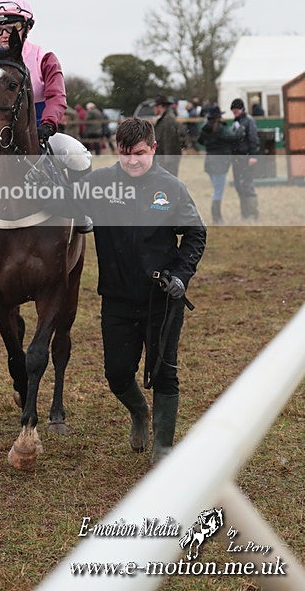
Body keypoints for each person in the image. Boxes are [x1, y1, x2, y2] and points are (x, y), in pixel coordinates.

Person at [28, 117, 206, 463]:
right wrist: (42, 188)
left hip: (162, 299)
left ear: (153, 149)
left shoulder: (171, 188)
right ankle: (139, 413)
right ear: (117, 151)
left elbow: (196, 234)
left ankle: (163, 447)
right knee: (117, 374)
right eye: (125, 154)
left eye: (139, 153)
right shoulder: (100, 183)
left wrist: (182, 275)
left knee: (165, 371)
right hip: (118, 300)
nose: (132, 161)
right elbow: (65, 206)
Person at [0, 0, 92, 235]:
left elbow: (57, 97)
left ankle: (81, 209)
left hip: (39, 129)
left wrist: (48, 125)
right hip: (0, 129)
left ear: (27, 27)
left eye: (11, 27)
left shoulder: (44, 57)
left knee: (77, 154)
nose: (4, 34)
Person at [197, 104, 244, 224]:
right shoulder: (220, 129)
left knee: (216, 189)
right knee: (218, 191)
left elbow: (200, 141)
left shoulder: (205, 129)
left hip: (209, 162)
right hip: (220, 163)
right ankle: (217, 217)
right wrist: (239, 129)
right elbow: (235, 137)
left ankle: (216, 217)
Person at [230, 98, 260, 221]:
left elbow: (254, 139)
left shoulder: (249, 121)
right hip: (236, 158)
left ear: (242, 109)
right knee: (239, 186)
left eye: (236, 109)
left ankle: (253, 213)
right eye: (233, 110)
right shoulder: (236, 122)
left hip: (246, 157)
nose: (234, 111)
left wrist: (253, 156)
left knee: (247, 185)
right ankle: (245, 214)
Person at [153, 94, 182, 177]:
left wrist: (168, 158)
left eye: (155, 106)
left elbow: (169, 141)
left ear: (161, 106)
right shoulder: (165, 118)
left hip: (167, 159)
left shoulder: (168, 119)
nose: (153, 108)